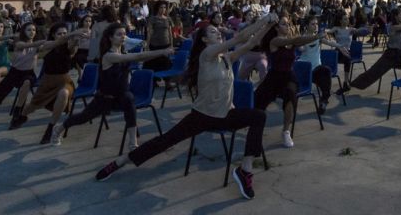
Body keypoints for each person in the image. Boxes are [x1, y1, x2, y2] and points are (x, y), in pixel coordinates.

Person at [93, 14, 277, 201]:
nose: (218, 33)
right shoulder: (206, 55)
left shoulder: (227, 58)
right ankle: (120, 162)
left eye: (218, 31)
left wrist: (270, 25)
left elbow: (252, 41)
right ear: (205, 39)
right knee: (164, 141)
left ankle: (245, 171)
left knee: (259, 116)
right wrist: (265, 18)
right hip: (202, 116)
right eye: (213, 32)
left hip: (226, 114)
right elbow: (240, 37)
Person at [51, 22, 173, 149]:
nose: (122, 37)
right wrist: (162, 51)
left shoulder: (123, 53)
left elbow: (140, 58)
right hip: (105, 98)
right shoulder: (109, 56)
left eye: (124, 34)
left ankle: (133, 143)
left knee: (129, 99)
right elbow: (138, 56)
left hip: (122, 96)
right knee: (83, 118)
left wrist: (144, 46)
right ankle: (58, 129)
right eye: (119, 34)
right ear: (110, 38)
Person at [255, 15, 327, 148]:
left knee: (290, 95)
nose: (287, 26)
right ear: (276, 27)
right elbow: (297, 39)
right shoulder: (275, 41)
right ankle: (255, 131)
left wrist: (319, 36)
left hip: (289, 76)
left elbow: (300, 41)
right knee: (258, 102)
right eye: (283, 24)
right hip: (274, 76)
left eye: (288, 24)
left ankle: (286, 131)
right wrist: (317, 36)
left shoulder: (291, 41)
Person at [10, 23, 89, 141]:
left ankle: (50, 128)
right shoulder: (47, 45)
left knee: (64, 94)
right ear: (53, 35)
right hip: (47, 81)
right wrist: (72, 33)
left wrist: (77, 39)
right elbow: (56, 43)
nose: (63, 35)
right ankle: (21, 116)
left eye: (64, 33)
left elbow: (71, 49)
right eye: (59, 34)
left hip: (64, 80)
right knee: (31, 107)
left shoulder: (68, 45)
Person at [346, 8, 401, 94]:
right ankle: (350, 85)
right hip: (391, 55)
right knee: (373, 72)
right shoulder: (392, 27)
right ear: (395, 16)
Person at [297, 15, 350, 114]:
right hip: (306, 70)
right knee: (324, 76)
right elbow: (301, 48)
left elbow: (331, 43)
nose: (315, 26)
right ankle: (324, 99)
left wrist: (341, 47)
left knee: (326, 71)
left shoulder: (318, 37)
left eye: (316, 24)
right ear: (307, 26)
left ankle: (324, 101)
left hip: (317, 68)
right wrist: (300, 46)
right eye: (312, 24)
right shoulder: (303, 38)